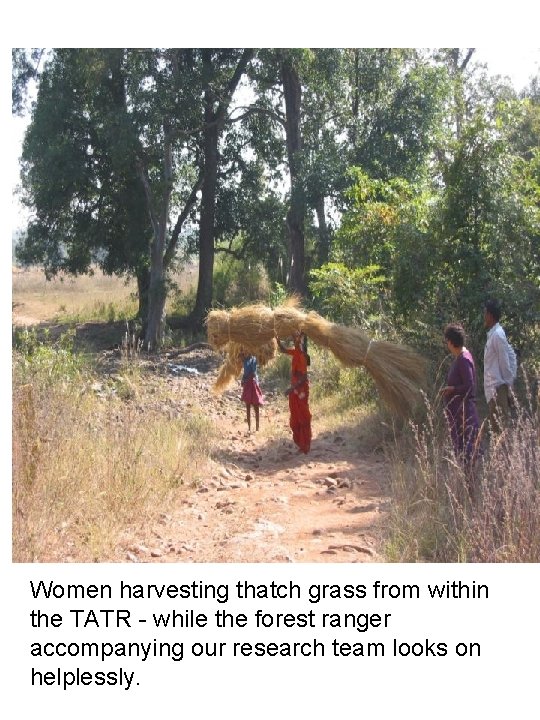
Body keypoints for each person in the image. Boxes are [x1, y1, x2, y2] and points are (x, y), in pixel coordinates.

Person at [441, 324, 480, 470]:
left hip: (465, 416)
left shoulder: (464, 359)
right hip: (460, 415)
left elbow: (470, 386)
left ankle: (469, 489)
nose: (447, 345)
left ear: (451, 342)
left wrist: (453, 389)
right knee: (463, 455)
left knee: (467, 455)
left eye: (447, 341)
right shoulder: (460, 357)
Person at [483, 299, 516, 433]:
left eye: (485, 313)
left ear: (490, 315)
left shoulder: (498, 335)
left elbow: (505, 362)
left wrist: (509, 389)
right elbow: (511, 354)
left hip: (498, 390)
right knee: (496, 433)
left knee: (500, 434)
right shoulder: (493, 334)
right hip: (493, 391)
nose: (484, 317)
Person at [277, 330, 312, 454]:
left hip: (301, 391)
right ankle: (301, 444)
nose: (295, 341)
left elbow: (303, 377)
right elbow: (282, 350)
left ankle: (305, 445)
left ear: (301, 342)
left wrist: (292, 388)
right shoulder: (296, 352)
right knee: (295, 417)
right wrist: (276, 337)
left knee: (303, 417)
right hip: (295, 390)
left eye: (297, 339)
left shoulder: (302, 356)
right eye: (294, 339)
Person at [240, 350, 264, 432]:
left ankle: (257, 428)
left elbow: (254, 373)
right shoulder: (245, 360)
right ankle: (249, 428)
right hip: (247, 384)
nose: (246, 353)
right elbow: (244, 373)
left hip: (253, 384)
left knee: (256, 406)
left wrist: (246, 378)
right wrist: (243, 379)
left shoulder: (254, 359)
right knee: (247, 406)